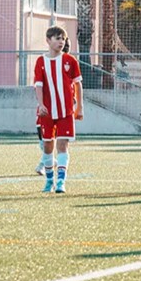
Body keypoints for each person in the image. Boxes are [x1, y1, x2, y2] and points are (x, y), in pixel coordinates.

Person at [34, 26, 84, 193]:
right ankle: (49, 181)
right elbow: (38, 85)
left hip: (66, 111)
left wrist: (79, 107)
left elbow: (78, 84)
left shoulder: (70, 61)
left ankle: (61, 182)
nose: (61, 42)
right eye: (57, 38)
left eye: (63, 38)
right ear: (48, 41)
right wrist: (41, 104)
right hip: (47, 112)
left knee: (62, 145)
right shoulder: (41, 61)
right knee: (48, 146)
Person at [35, 37, 70, 175]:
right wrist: (41, 103)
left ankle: (46, 164)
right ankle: (48, 161)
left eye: (63, 42)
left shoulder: (68, 63)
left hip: (61, 110)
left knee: (60, 141)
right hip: (46, 108)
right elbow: (38, 84)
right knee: (44, 138)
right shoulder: (44, 63)